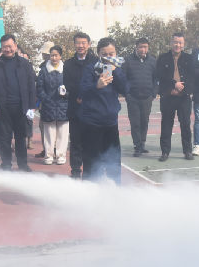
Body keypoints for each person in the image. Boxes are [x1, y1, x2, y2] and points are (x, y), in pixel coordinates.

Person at [0, 34, 37, 172]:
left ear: (15, 45)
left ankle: (23, 164)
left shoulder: (24, 63)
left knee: (21, 138)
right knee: (5, 138)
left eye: (9, 46)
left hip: (21, 107)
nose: (7, 49)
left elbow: (31, 86)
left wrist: (32, 106)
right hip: (3, 107)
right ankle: (6, 164)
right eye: (4, 47)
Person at [80, 37, 128, 182]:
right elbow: (82, 91)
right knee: (92, 161)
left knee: (113, 161)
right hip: (92, 123)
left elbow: (125, 89)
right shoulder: (90, 68)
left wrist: (116, 72)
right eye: (104, 54)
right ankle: (90, 189)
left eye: (111, 54)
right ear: (98, 53)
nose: (108, 57)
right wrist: (97, 85)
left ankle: (115, 188)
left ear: (116, 53)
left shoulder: (118, 68)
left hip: (111, 122)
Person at [155, 32, 199, 161]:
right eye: (175, 42)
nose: (177, 45)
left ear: (183, 44)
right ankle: (165, 152)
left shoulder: (189, 58)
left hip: (184, 97)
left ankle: (187, 151)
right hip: (168, 96)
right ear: (171, 43)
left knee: (185, 125)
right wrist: (173, 85)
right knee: (166, 125)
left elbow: (192, 77)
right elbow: (160, 75)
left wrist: (183, 88)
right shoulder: (163, 58)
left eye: (180, 43)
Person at [63, 32, 98, 178]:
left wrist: (86, 96)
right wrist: (79, 96)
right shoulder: (68, 64)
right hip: (75, 107)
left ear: (89, 45)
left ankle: (91, 170)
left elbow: (100, 82)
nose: (81, 46)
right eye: (78, 43)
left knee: (91, 141)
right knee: (76, 141)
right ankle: (76, 170)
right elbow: (67, 83)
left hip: (93, 108)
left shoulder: (97, 61)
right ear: (74, 44)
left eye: (84, 43)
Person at [123, 37, 157, 157]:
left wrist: (153, 93)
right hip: (133, 97)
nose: (143, 49)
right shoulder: (128, 60)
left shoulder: (153, 61)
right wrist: (127, 94)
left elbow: (156, 79)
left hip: (147, 98)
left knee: (144, 122)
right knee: (135, 123)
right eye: (141, 47)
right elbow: (123, 78)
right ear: (136, 47)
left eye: (145, 47)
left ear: (148, 48)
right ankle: (137, 146)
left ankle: (142, 144)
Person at [36, 44, 69, 165]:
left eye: (56, 55)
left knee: (63, 133)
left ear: (60, 56)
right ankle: (48, 156)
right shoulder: (44, 70)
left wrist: (66, 93)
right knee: (49, 133)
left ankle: (61, 155)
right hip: (48, 106)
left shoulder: (66, 70)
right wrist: (46, 99)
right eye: (52, 55)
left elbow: (71, 86)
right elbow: (39, 88)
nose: (54, 58)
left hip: (63, 106)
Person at [34, 40, 55, 158]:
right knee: (44, 126)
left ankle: (51, 149)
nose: (42, 55)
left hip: (53, 102)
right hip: (45, 101)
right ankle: (47, 149)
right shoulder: (43, 67)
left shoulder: (56, 67)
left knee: (51, 127)